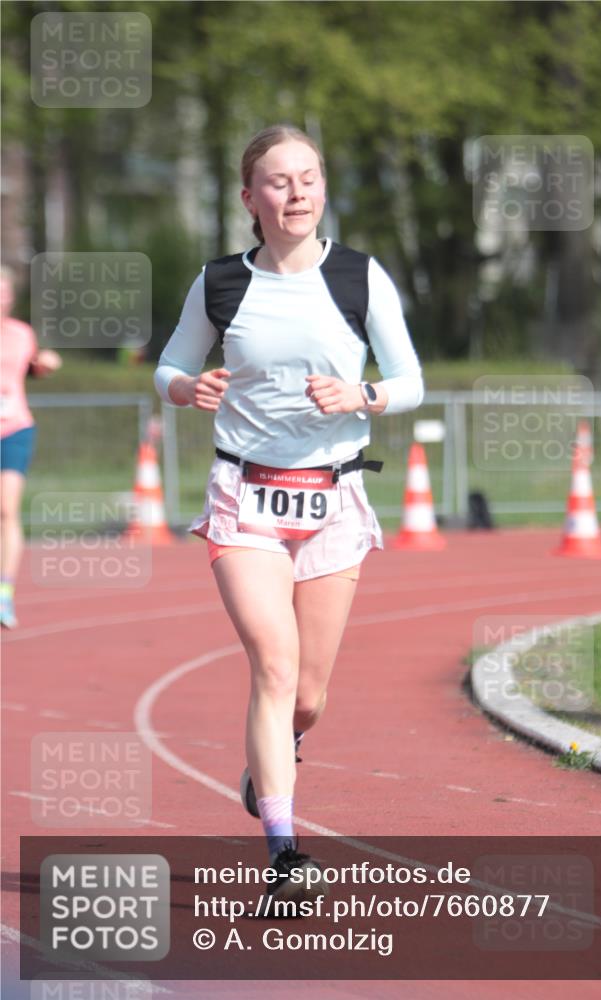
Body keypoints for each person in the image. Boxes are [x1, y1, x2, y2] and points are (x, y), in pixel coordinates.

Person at [154, 124, 424, 910]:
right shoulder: (219, 284)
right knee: (272, 666)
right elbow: (172, 362)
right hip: (245, 500)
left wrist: (362, 395)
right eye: (278, 181)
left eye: (308, 177)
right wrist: (185, 388)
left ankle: (277, 755)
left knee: (306, 693)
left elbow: (408, 379)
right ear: (250, 199)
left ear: (323, 188)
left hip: (334, 498)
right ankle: (284, 850)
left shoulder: (358, 278)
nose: (296, 192)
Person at [0, 267, 62, 629]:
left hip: (15, 428)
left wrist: (45, 364)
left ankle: (4, 593)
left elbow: (32, 367)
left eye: (5, 290)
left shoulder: (22, 334)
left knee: (7, 509)